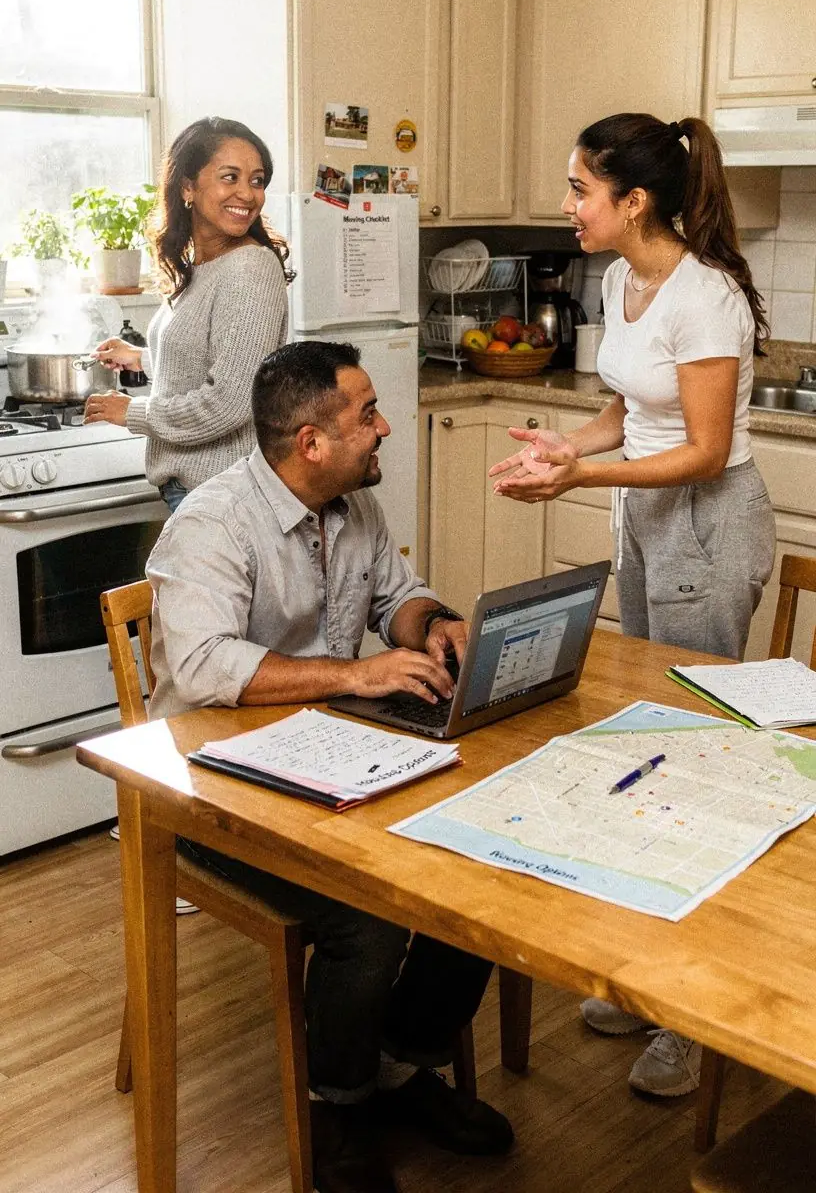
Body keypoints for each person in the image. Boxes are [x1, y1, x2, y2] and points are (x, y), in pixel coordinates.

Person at [146, 340, 513, 1193]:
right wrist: (357, 674)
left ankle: (402, 1061)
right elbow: (202, 667)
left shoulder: (353, 502)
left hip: (330, 752)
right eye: (367, 415)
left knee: (480, 853)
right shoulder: (211, 521)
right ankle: (339, 1101)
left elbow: (397, 596)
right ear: (310, 442)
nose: (386, 428)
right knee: (368, 913)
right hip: (209, 786)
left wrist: (437, 626)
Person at [489, 112, 776, 1098]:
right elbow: (628, 406)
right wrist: (576, 449)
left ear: (633, 199)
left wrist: (576, 482)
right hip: (643, 512)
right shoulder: (624, 278)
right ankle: (653, 978)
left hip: (703, 516)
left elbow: (699, 448)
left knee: (705, 762)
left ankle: (697, 1019)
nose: (569, 205)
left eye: (580, 188)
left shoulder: (709, 298)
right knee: (649, 739)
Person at [83, 116, 291, 513]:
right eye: (230, 177)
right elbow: (208, 356)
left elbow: (231, 402)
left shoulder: (250, 267)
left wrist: (134, 412)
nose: (248, 194)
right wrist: (140, 356)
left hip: (225, 495)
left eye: (257, 180)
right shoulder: (201, 264)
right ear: (187, 187)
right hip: (196, 489)